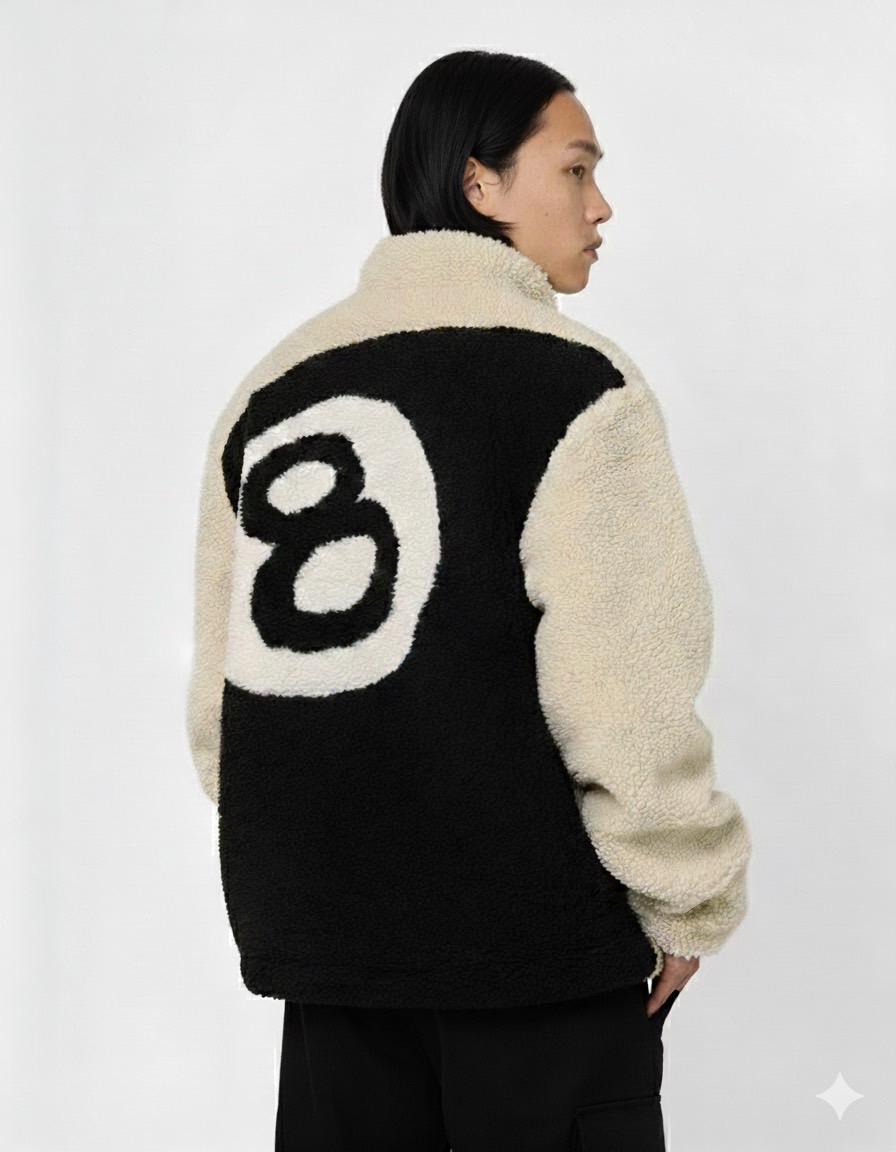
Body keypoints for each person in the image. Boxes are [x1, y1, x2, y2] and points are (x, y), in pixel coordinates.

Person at [185, 48, 752, 1152]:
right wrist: (685, 896)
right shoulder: (575, 384)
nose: (600, 205)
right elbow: (623, 691)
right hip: (533, 959)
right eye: (575, 169)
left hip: (335, 962)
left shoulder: (270, 394)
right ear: (480, 184)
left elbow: (227, 706)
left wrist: (325, 871)